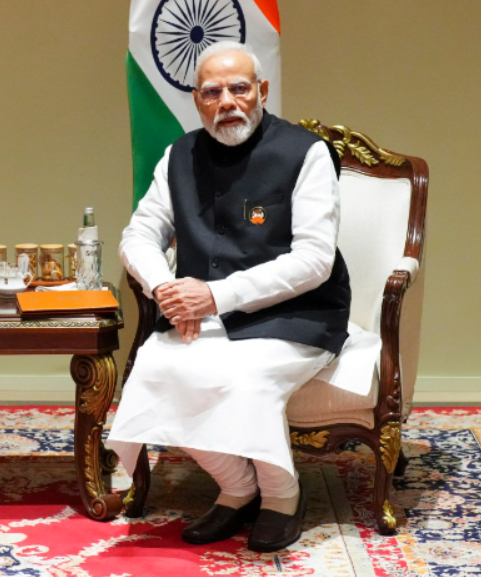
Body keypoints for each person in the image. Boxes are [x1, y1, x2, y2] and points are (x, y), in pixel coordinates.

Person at [107, 41, 350, 553]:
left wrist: (214, 296)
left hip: (297, 315)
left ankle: (283, 497)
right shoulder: (179, 155)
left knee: (242, 378)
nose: (227, 101)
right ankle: (238, 490)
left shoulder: (304, 153)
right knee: (158, 370)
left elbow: (314, 261)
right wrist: (167, 291)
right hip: (199, 311)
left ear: (261, 91)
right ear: (197, 100)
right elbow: (139, 235)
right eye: (213, 92)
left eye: (240, 88)